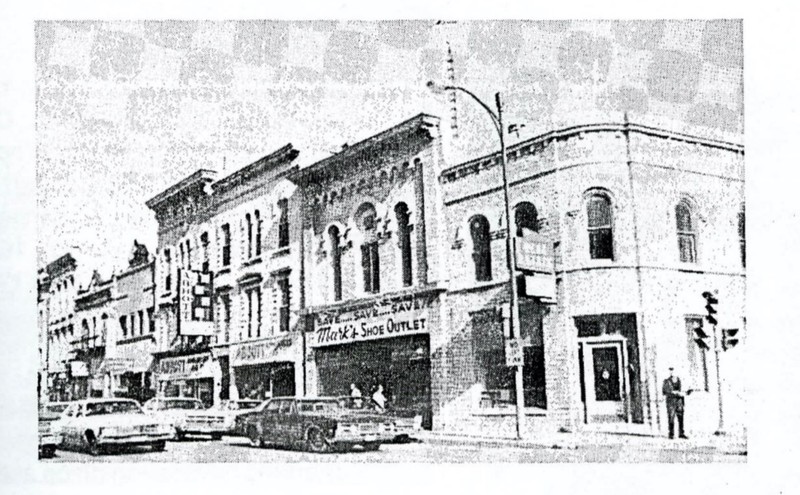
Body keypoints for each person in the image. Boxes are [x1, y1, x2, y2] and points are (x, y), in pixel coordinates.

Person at [662, 367, 688, 439]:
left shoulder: (679, 380)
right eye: (671, 371)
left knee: (680, 417)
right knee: (671, 417)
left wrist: (683, 393)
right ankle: (671, 434)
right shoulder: (667, 381)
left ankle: (681, 433)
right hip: (671, 402)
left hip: (679, 401)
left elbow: (683, 390)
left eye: (673, 370)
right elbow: (665, 391)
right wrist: (675, 393)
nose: (672, 372)